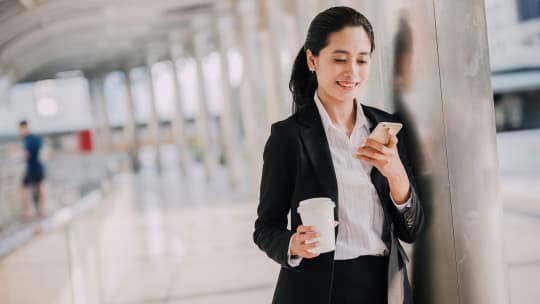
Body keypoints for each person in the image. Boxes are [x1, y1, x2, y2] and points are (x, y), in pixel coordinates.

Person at [253, 6, 424, 304]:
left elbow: (413, 230)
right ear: (312, 59)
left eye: (362, 59)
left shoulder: (387, 128)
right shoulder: (289, 137)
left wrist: (396, 174)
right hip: (318, 291)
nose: (352, 72)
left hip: (385, 288)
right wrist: (294, 243)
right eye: (340, 59)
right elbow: (266, 228)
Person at [19, 120, 46, 218]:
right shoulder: (35, 138)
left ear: (24, 128)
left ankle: (28, 211)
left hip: (32, 168)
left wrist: (22, 156)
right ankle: (42, 210)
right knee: (40, 187)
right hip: (39, 166)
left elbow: (26, 155)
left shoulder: (28, 140)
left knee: (24, 188)